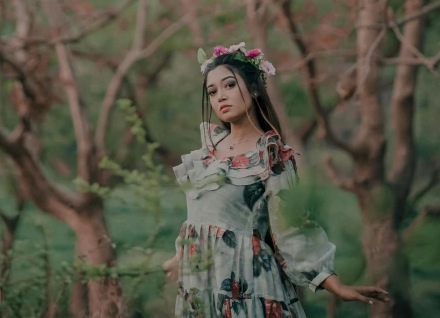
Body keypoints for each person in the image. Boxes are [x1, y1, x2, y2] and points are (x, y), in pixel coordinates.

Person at [162, 43, 389, 317]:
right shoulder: (207, 153)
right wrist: (181, 255)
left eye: (229, 85)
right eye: (212, 91)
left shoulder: (271, 155)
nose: (220, 96)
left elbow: (292, 230)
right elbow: (203, 218)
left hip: (246, 285)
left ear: (255, 88)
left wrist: (336, 285)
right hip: (199, 285)